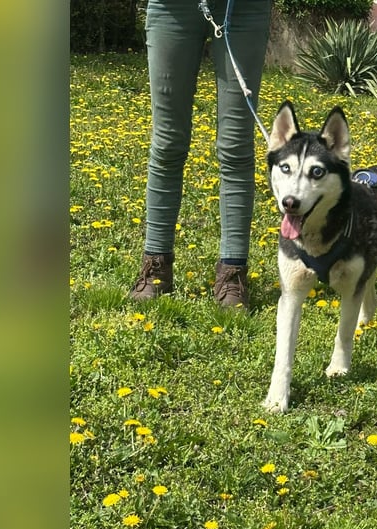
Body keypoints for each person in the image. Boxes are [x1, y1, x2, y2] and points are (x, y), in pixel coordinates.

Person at [130, 0, 272, 308]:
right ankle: (156, 266)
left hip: (244, 8)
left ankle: (233, 272)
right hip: (172, 8)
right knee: (167, 142)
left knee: (236, 146)